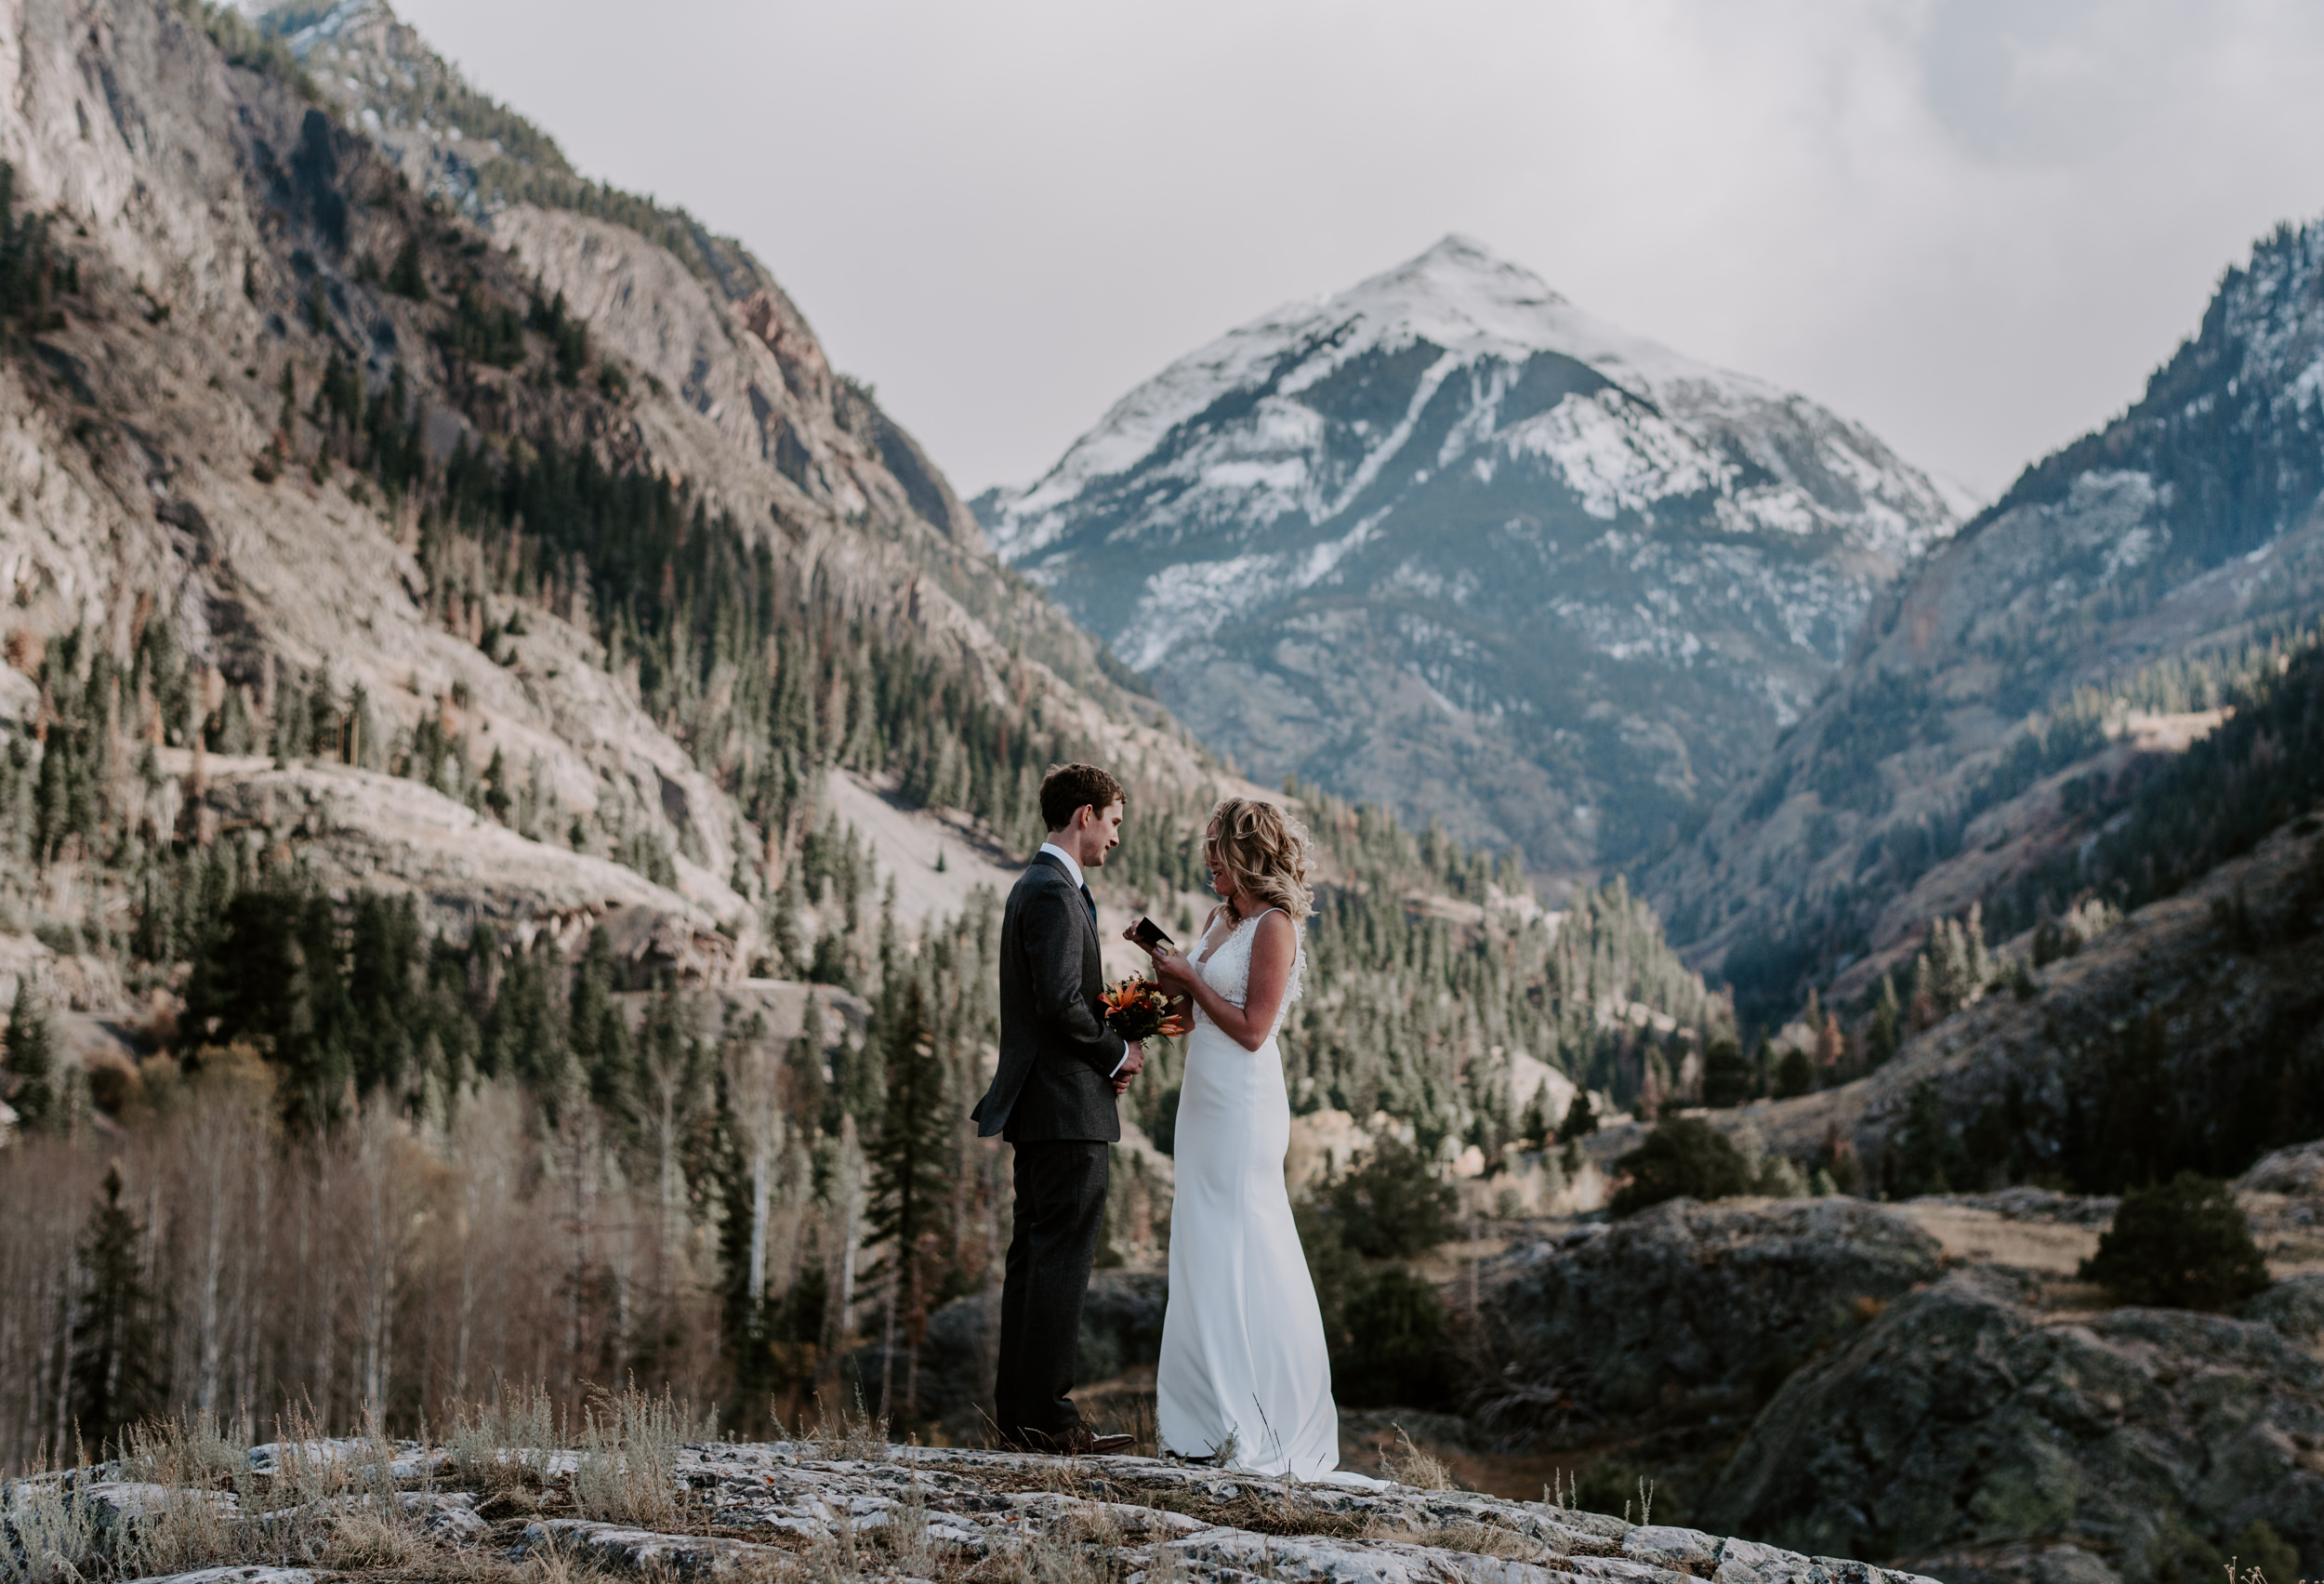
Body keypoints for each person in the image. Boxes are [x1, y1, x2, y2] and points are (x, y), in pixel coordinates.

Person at [1134, 796, 1342, 1479]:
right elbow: (1188, 1019)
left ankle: (1260, 1413)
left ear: (1245, 855)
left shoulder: (1274, 927)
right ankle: (1203, 1418)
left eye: (1215, 850)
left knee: (1244, 1233)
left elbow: (1253, 1029)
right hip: (1203, 1096)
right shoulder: (1218, 920)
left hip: (1245, 1101)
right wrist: (1160, 982)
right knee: (1202, 1235)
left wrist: (1191, 979)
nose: (1206, 862)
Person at [971, 762, 1144, 1454]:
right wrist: (1117, 1054)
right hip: (1065, 1108)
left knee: (1037, 1262)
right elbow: (1060, 1004)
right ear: (1084, 815)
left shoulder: (1042, 886)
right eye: (1113, 822)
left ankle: (1023, 1422)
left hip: (1050, 1107)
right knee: (1059, 1265)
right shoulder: (1051, 891)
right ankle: (1048, 1423)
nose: (1115, 838)